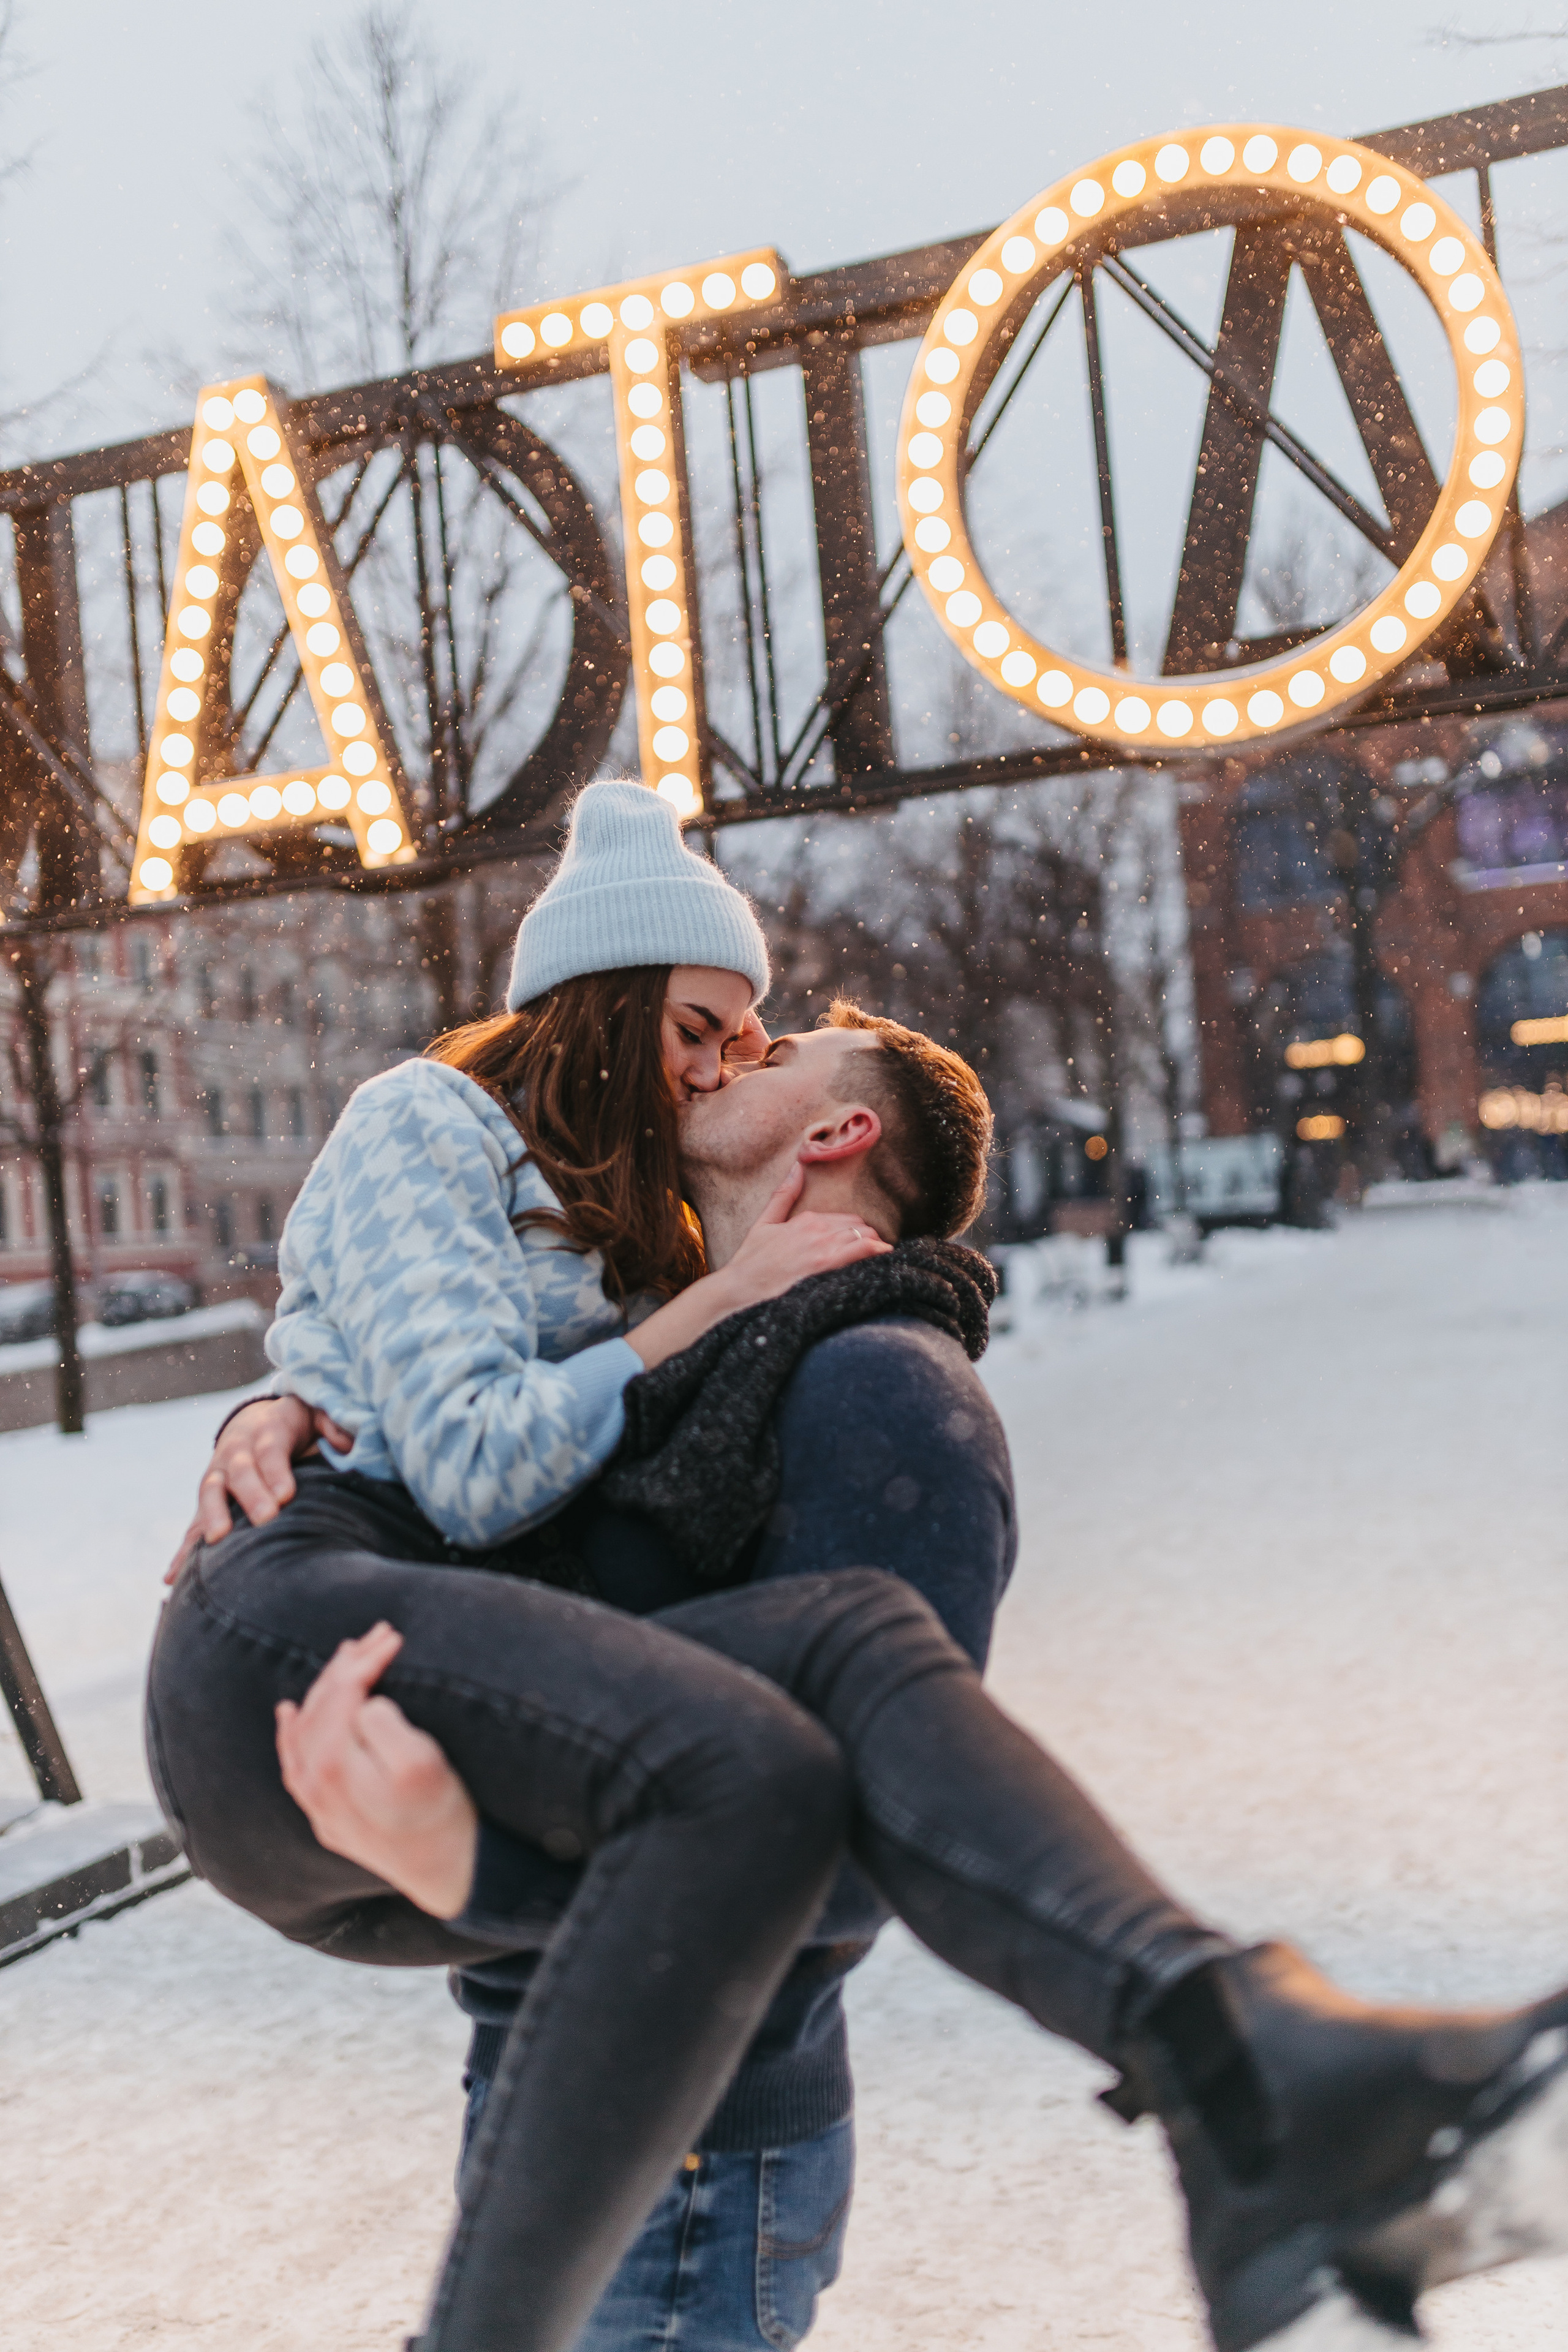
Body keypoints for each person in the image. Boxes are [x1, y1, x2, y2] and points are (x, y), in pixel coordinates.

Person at [150, 783, 1568, 2352]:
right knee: (777, 1715)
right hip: (314, 1666)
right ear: (601, 1003)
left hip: (671, 2106)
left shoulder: (862, 1384)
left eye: (754, 1047)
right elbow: (449, 1424)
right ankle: (1252, 2074)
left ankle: (1251, 2073)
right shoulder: (625, 1267)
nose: (722, 1063)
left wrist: (475, 1876)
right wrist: (285, 1400)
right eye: (702, 1031)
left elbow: (824, 1837)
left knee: (830, 1667)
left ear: (836, 1133)